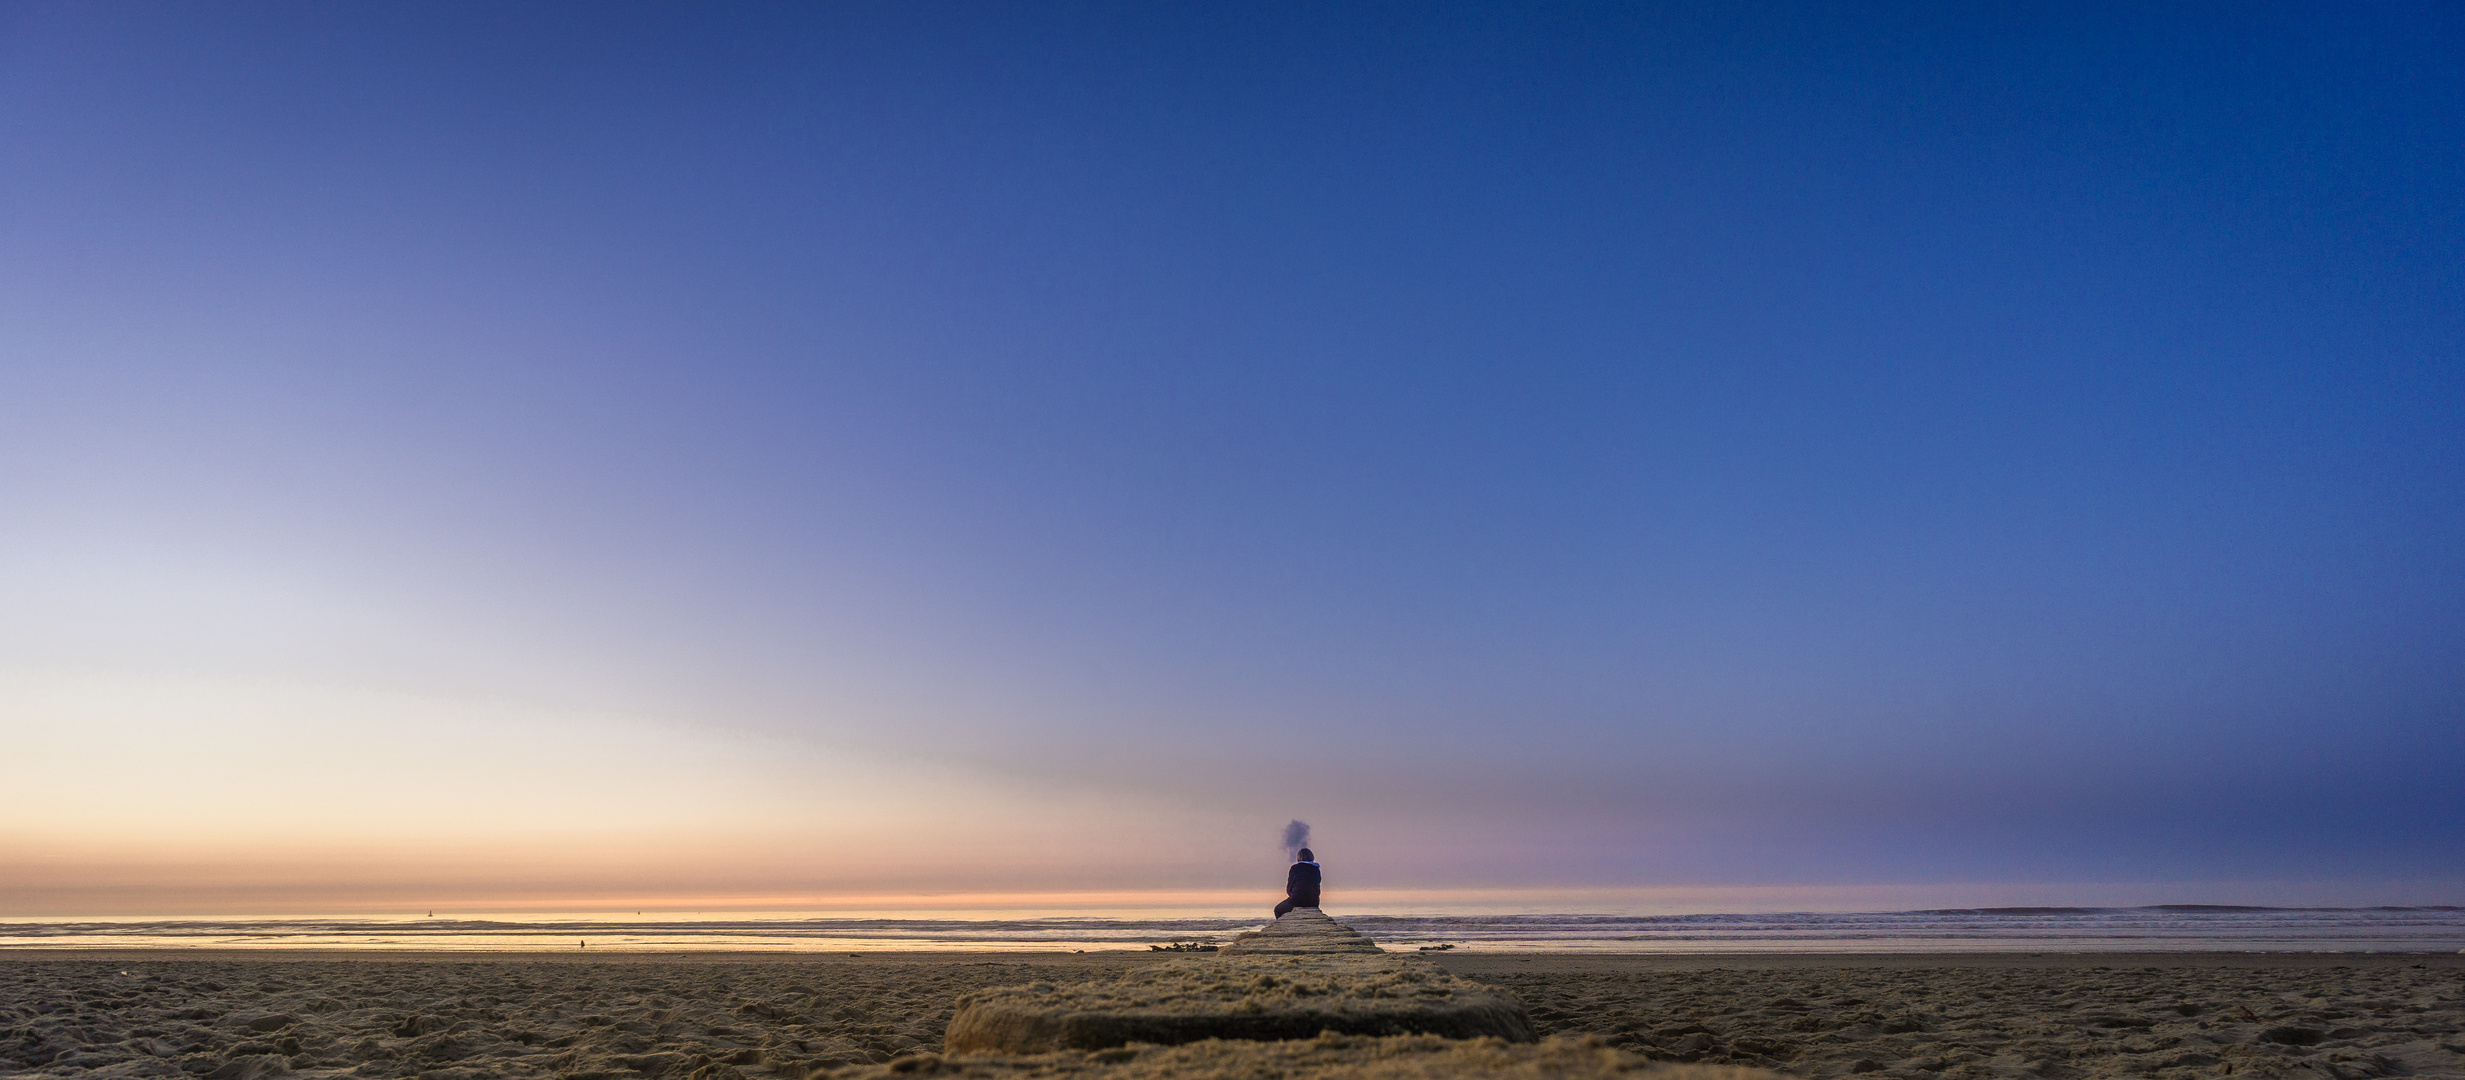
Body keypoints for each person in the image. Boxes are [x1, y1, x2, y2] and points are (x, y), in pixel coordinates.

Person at [1273, 848, 1321, 918]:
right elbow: (1317, 885)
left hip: (1297, 900)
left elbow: (1289, 887)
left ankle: (1285, 926)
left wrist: (1292, 896)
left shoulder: (1295, 868)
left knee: (1277, 910)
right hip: (1313, 901)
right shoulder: (1316, 869)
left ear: (1299, 857)